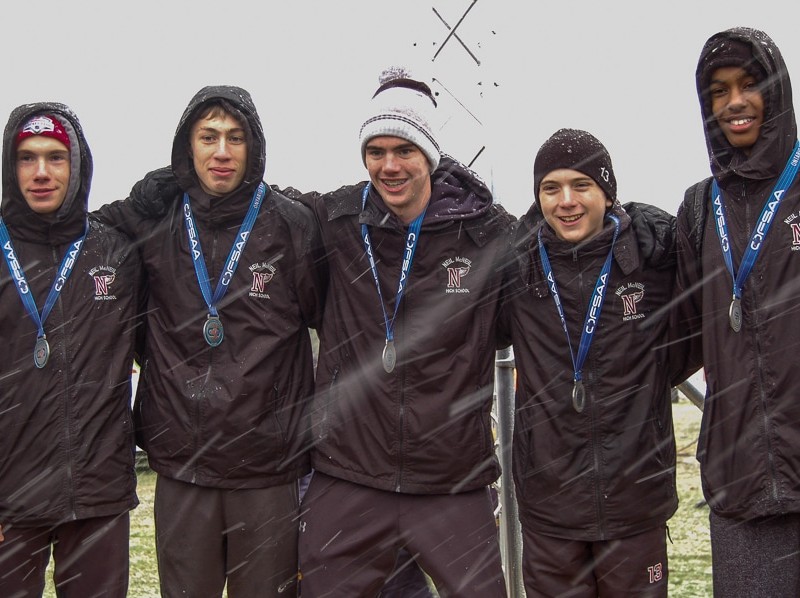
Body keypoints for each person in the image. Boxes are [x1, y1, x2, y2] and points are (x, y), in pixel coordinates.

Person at [97, 86, 323, 597]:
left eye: (235, 138)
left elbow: (331, 313)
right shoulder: (155, 219)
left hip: (267, 466)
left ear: (254, 148)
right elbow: (73, 232)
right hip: (183, 461)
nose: (222, 151)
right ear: (187, 147)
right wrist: (142, 195)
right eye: (208, 137)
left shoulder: (291, 225)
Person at [295, 67, 512, 597]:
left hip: (450, 478)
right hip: (350, 473)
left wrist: (627, 226)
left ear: (430, 155)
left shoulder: (485, 233)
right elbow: (259, 208)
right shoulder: (336, 221)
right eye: (376, 151)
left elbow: (546, 282)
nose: (388, 166)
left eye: (404, 150)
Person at [502, 128, 683, 597]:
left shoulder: (653, 257)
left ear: (607, 191)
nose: (566, 201)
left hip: (634, 501)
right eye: (551, 188)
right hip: (550, 506)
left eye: (581, 185)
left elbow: (692, 340)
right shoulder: (517, 266)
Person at [0, 104, 143, 596]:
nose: (41, 172)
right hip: (10, 498)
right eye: (27, 158)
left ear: (77, 166)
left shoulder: (115, 253)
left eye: (56, 157)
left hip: (98, 495)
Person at [676, 27, 800, 597]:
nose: (734, 102)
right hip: (740, 478)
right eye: (719, 91)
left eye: (749, 84)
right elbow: (671, 338)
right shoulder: (699, 207)